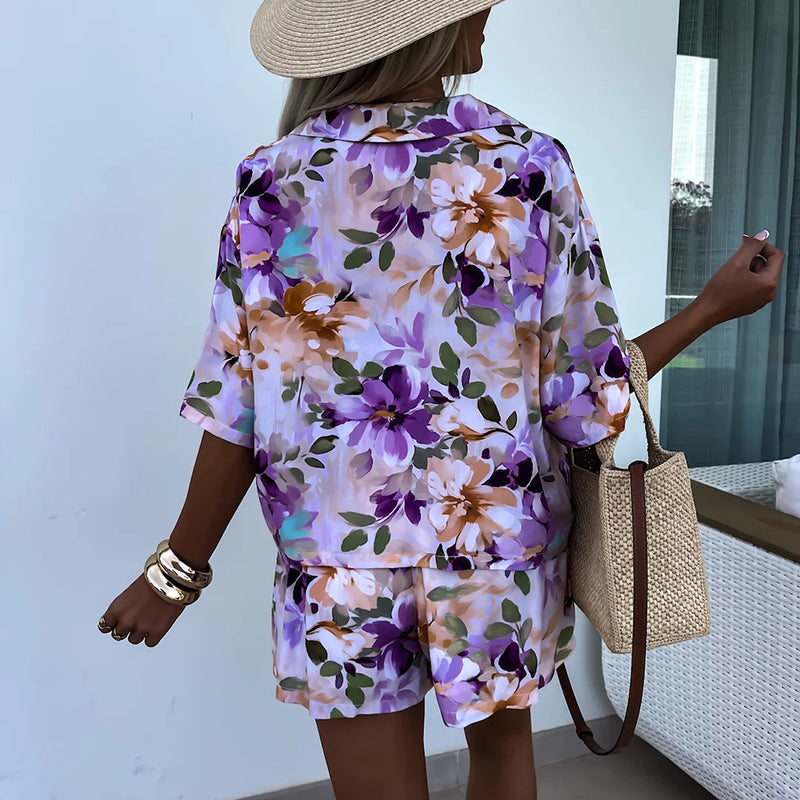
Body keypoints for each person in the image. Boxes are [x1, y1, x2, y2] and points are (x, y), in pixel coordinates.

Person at [97, 2, 785, 798]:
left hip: (337, 570)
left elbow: (236, 402)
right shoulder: (526, 166)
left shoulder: (272, 179)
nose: (487, 12)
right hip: (498, 552)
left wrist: (176, 571)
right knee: (502, 759)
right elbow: (586, 402)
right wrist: (708, 311)